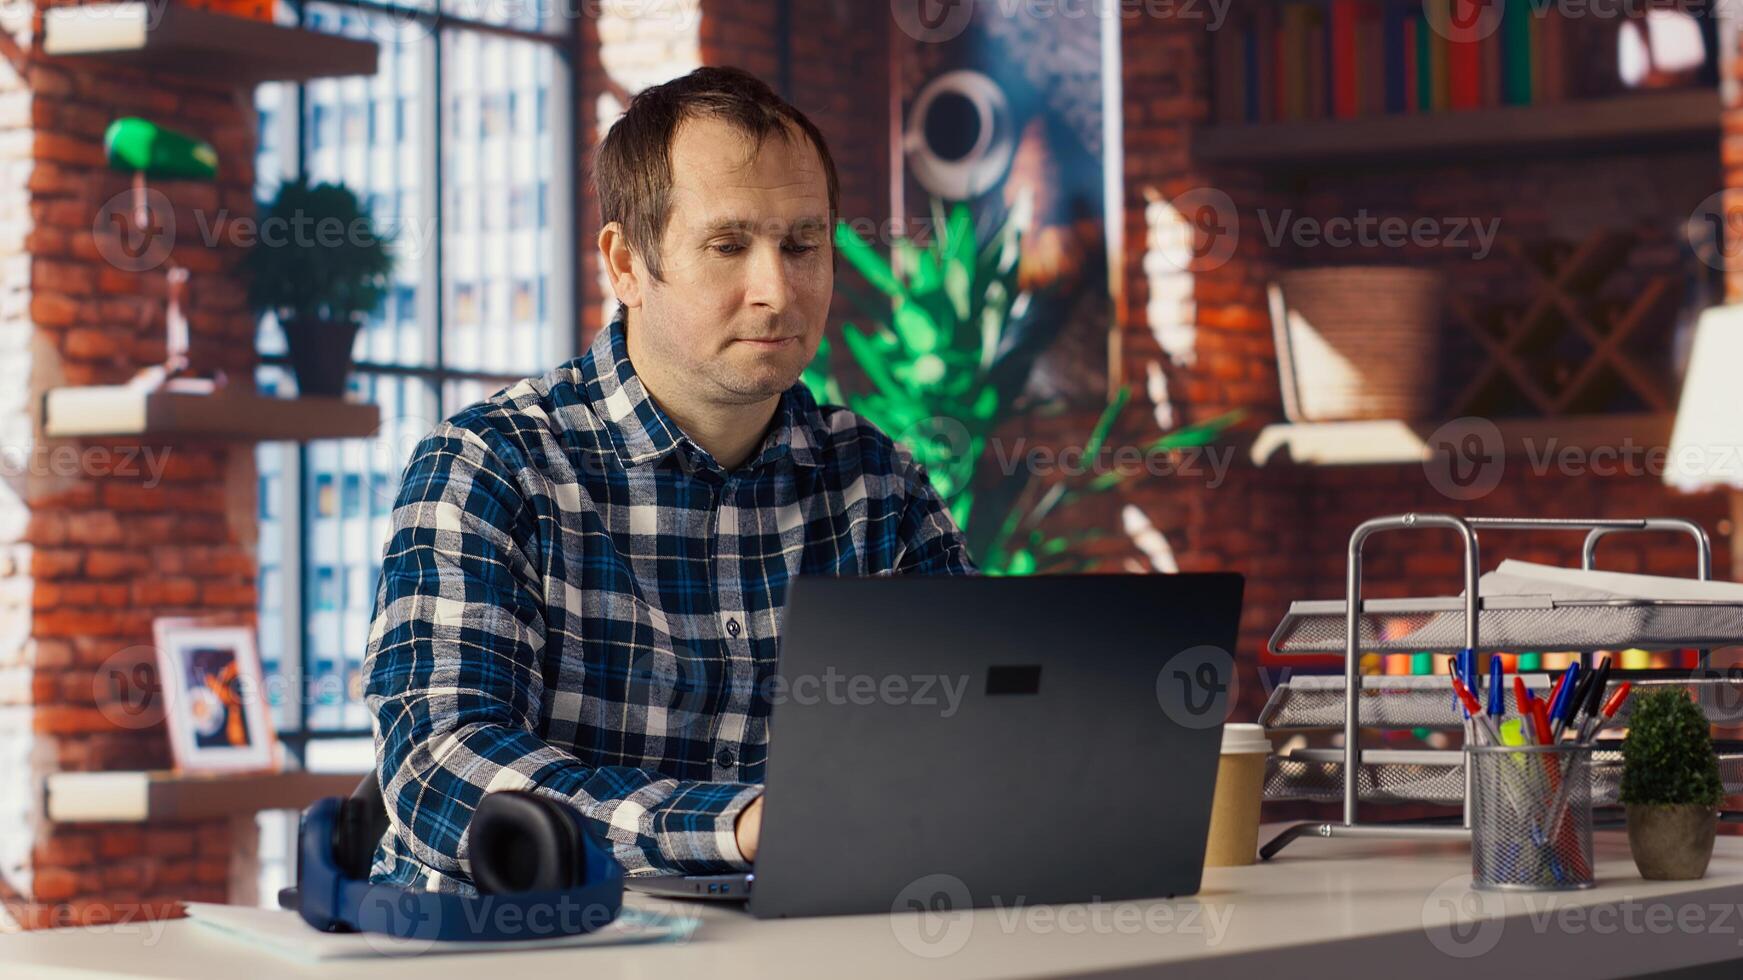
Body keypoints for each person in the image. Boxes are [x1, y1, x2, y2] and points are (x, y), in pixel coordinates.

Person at [362, 66, 976, 894]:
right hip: (507, 954)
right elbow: (441, 767)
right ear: (625, 263)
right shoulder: (488, 466)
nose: (777, 289)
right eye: (728, 247)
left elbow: (976, 733)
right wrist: (737, 829)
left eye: (803, 245)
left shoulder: (877, 486)